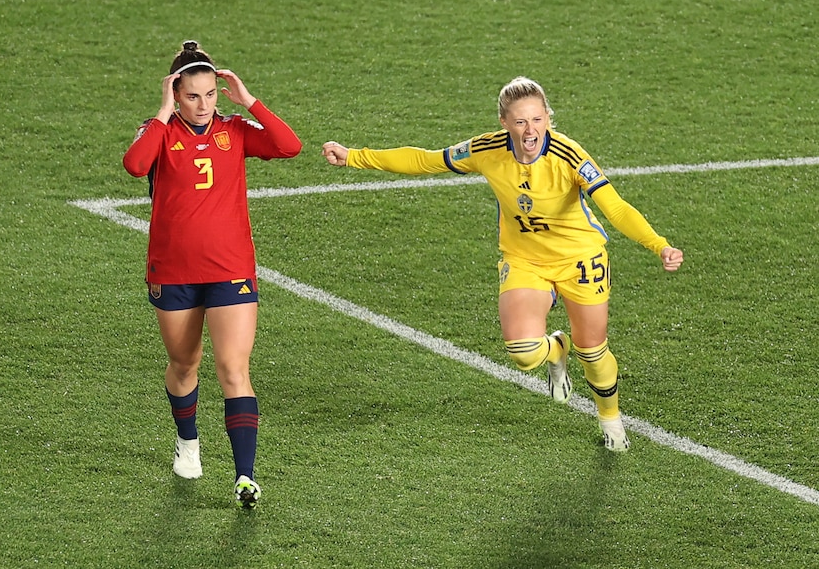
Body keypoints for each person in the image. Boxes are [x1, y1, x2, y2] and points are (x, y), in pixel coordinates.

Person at [322, 77, 683, 452]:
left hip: (580, 257)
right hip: (524, 259)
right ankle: (557, 349)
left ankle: (610, 419)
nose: (531, 130)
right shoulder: (487, 149)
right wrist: (354, 156)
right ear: (504, 122)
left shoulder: (569, 156)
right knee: (524, 351)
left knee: (592, 350)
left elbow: (616, 207)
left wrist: (659, 246)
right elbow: (425, 160)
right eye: (521, 122)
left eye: (538, 119)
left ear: (548, 118)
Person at [123, 40, 301, 506]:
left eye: (210, 95)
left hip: (231, 269)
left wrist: (249, 101)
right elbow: (134, 164)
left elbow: (289, 146)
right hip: (175, 271)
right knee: (185, 366)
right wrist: (162, 113)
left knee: (233, 369)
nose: (203, 105)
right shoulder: (157, 132)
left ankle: (245, 476)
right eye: (191, 96)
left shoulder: (235, 129)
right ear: (175, 95)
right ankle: (188, 441)